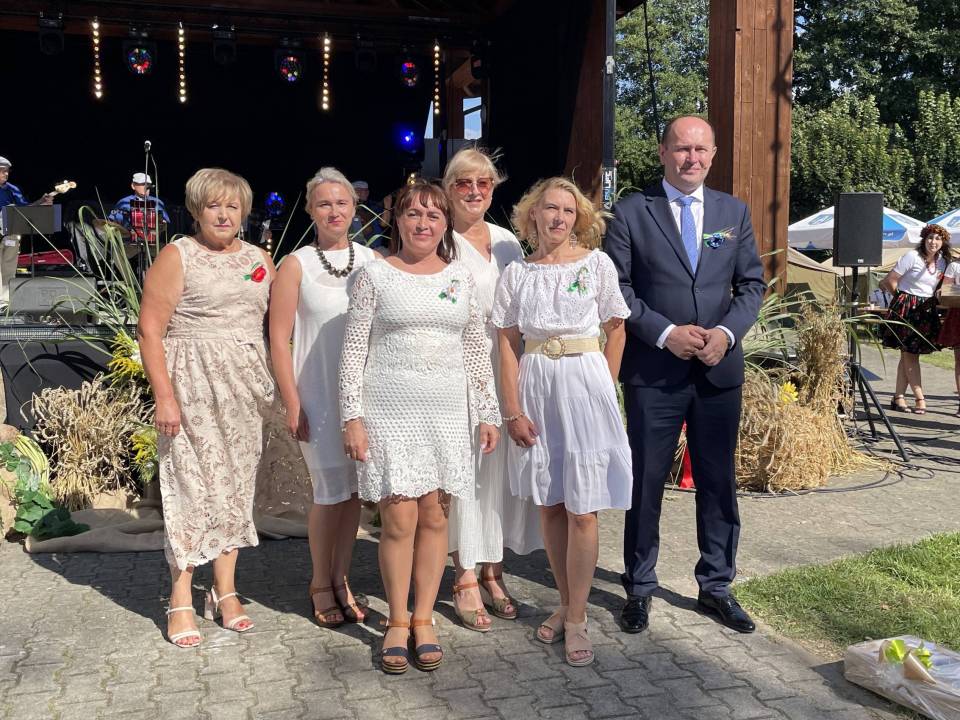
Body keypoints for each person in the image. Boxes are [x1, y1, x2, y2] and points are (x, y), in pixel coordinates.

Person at [605, 115, 765, 636]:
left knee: (717, 481)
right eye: (681, 148)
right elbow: (618, 290)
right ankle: (639, 586)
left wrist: (727, 334)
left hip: (718, 371)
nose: (691, 158)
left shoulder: (732, 212)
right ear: (662, 152)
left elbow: (752, 285)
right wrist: (665, 332)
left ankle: (716, 585)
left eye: (700, 149)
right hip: (655, 372)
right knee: (646, 481)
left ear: (713, 155)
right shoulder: (632, 212)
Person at [339, 180, 500, 674]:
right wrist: (351, 417)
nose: (423, 224)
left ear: (446, 223)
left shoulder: (459, 278)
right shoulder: (373, 276)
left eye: (433, 215)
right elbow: (353, 351)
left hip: (447, 414)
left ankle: (425, 618)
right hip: (389, 411)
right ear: (398, 220)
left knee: (435, 517)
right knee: (398, 520)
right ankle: (397, 621)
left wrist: (488, 411)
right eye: (413, 214)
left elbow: (475, 349)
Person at [492, 176, 632, 667]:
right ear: (533, 214)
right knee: (550, 504)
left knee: (583, 509)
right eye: (550, 208)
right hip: (536, 386)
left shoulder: (597, 265)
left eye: (568, 211)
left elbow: (616, 330)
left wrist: (603, 390)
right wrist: (512, 409)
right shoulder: (517, 273)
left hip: (585, 383)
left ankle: (575, 619)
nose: (558, 218)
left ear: (579, 219)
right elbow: (507, 342)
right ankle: (569, 604)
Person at [138, 168, 275, 648]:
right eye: (213, 206)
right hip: (191, 385)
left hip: (245, 390)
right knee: (191, 488)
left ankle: (225, 591)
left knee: (235, 488)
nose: (223, 214)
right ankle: (180, 596)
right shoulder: (178, 255)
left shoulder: (259, 258)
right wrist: (164, 395)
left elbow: (277, 322)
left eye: (232, 206)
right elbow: (150, 330)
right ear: (197, 211)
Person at [268, 168, 379, 628]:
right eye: (324, 204)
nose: (335, 211)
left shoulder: (374, 261)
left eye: (342, 202)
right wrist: (292, 402)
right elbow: (279, 341)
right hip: (317, 395)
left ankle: (341, 578)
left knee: (353, 495)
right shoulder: (296, 265)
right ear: (311, 210)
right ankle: (319, 582)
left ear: (355, 208)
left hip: (365, 399)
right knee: (328, 494)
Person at [442, 147, 541, 633]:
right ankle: (463, 575)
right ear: (448, 189)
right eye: (464, 183)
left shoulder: (506, 243)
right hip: (455, 367)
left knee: (498, 472)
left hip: (504, 364)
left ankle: (492, 570)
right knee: (467, 469)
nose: (474, 191)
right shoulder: (439, 240)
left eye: (483, 183)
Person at [880, 224, 951, 414]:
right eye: (930, 238)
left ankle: (898, 397)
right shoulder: (912, 256)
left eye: (938, 239)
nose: (933, 242)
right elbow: (889, 280)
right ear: (924, 240)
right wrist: (901, 299)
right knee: (910, 354)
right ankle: (920, 398)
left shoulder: (943, 262)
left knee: (908, 354)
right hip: (907, 308)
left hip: (926, 310)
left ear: (943, 242)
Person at [0, 156, 53, 309]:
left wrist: (41, 202)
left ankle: (4, 303)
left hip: (10, 233)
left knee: (9, 268)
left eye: (7, 171)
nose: (6, 174)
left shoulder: (12, 189)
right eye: (2, 171)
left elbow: (24, 210)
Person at [108, 172, 170, 243]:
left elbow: (165, 224)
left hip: (153, 243)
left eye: (148, 185)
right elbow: (114, 223)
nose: (146, 187)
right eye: (143, 184)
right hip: (129, 243)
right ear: (133, 186)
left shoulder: (158, 203)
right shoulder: (124, 202)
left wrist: (161, 224)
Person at [349, 180, 386, 248]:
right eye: (364, 190)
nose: (367, 193)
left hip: (375, 247)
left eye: (367, 190)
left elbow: (383, 222)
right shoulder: (350, 210)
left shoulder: (369, 206)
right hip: (362, 248)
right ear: (355, 192)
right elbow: (360, 234)